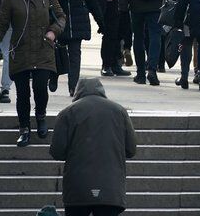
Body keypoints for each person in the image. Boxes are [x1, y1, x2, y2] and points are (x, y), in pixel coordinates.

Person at [0, 0, 65, 146]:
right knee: (22, 93)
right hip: (19, 51)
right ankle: (24, 128)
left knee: (40, 88)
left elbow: (61, 16)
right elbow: (1, 25)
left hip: (43, 50)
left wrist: (53, 31)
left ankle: (41, 117)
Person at [49, 78, 137, 216]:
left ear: (78, 91)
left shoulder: (68, 113)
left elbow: (56, 152)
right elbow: (131, 149)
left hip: (77, 188)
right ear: (101, 90)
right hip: (110, 188)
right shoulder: (119, 111)